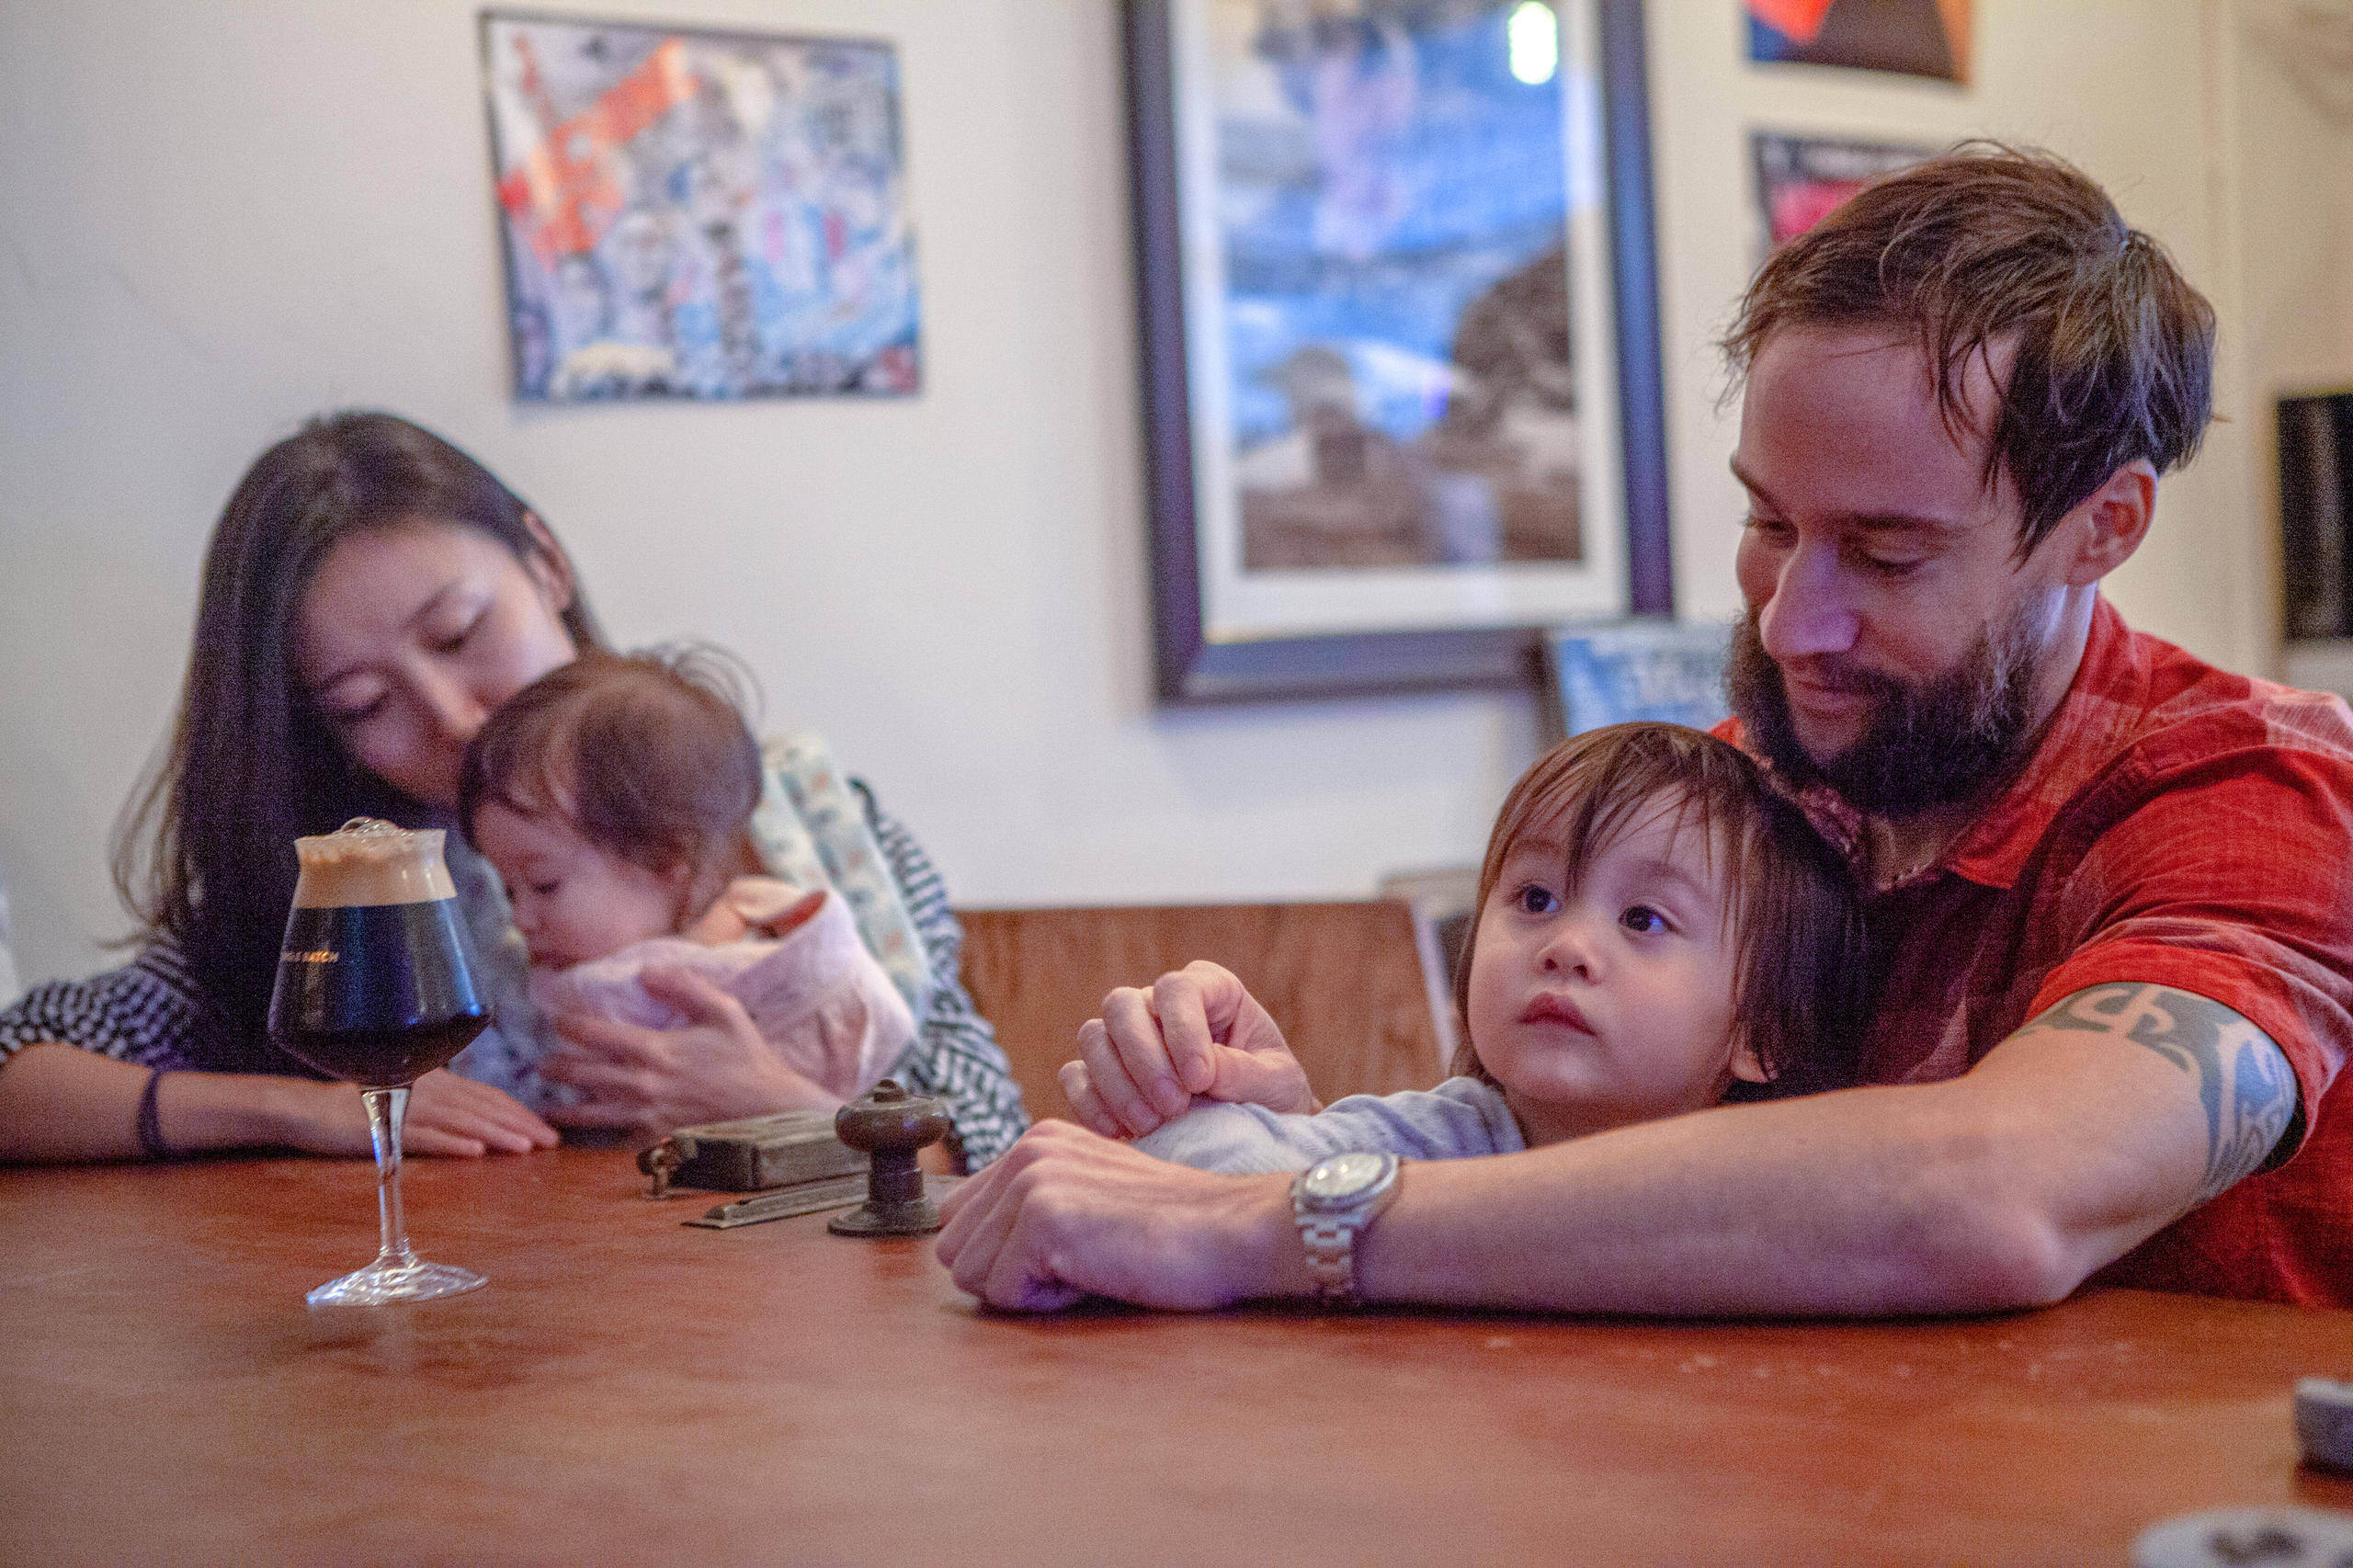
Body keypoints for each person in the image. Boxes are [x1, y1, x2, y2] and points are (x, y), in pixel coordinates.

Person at [935, 144, 2353, 1314]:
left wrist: (1275, 1218)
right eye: (1766, 520)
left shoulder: (2253, 794)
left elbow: (1988, 1193)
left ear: (2100, 528)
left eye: (1888, 553)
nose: (1795, 622)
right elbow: (1612, 1162)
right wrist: (1292, 1129)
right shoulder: (1761, 778)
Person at [0, 411, 1027, 1167]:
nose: (450, 714)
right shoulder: (346, 896)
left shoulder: (809, 829)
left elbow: (988, 1131)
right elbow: (20, 1070)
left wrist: (786, 1108)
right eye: (362, 702)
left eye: (459, 634)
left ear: (544, 561)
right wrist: (303, 1108)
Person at [1109, 722, 1868, 1173]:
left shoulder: (1769, 1189)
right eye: (1535, 899)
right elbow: (1196, 1163)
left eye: (1644, 919)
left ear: (1761, 1031)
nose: (1567, 946)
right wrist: (1185, 1095)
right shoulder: (1451, 1138)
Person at [458, 646, 914, 1105]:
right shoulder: (536, 978)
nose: (520, 919)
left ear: (665, 857)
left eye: (544, 885)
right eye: (509, 889)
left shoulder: (773, 969)